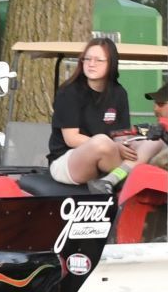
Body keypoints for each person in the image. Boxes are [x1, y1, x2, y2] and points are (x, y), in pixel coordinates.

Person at [47, 37, 159, 191]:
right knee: (101, 142)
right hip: (69, 160)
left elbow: (121, 134)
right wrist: (114, 146)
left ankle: (111, 180)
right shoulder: (69, 92)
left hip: (108, 154)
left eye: (98, 60)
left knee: (155, 140)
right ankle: (130, 176)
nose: (91, 64)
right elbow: (72, 139)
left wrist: (126, 144)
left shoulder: (119, 93)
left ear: (111, 63)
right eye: (87, 59)